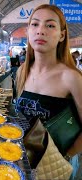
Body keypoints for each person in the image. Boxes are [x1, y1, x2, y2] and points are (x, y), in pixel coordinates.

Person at [15, 4, 82, 178]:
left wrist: (65, 156)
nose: (40, 30)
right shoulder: (22, 72)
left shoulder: (72, 78)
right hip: (21, 162)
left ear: (62, 35)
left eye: (50, 25)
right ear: (28, 31)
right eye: (35, 24)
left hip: (54, 168)